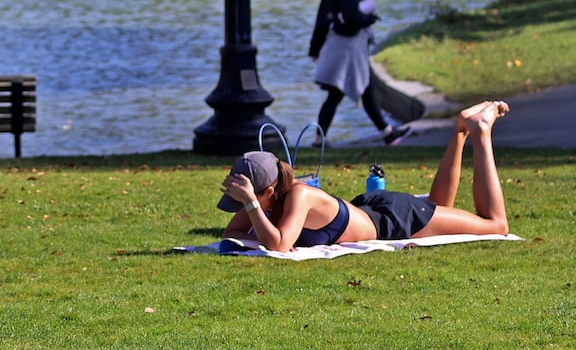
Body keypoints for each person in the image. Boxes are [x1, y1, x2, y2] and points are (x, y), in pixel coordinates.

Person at [218, 101, 512, 252]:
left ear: (268, 192)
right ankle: (461, 129)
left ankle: (481, 131)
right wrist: (249, 205)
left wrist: (252, 206)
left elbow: (280, 245)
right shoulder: (270, 197)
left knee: (495, 225)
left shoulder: (300, 194)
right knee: (439, 205)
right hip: (371, 207)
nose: (243, 206)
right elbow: (232, 235)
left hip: (394, 220)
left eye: (246, 199)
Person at [308, 0, 410, 146]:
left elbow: (321, 20)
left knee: (356, 90)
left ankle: (386, 133)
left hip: (339, 45)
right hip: (349, 48)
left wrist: (315, 48)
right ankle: (385, 134)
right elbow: (353, 17)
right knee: (345, 91)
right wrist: (370, 16)